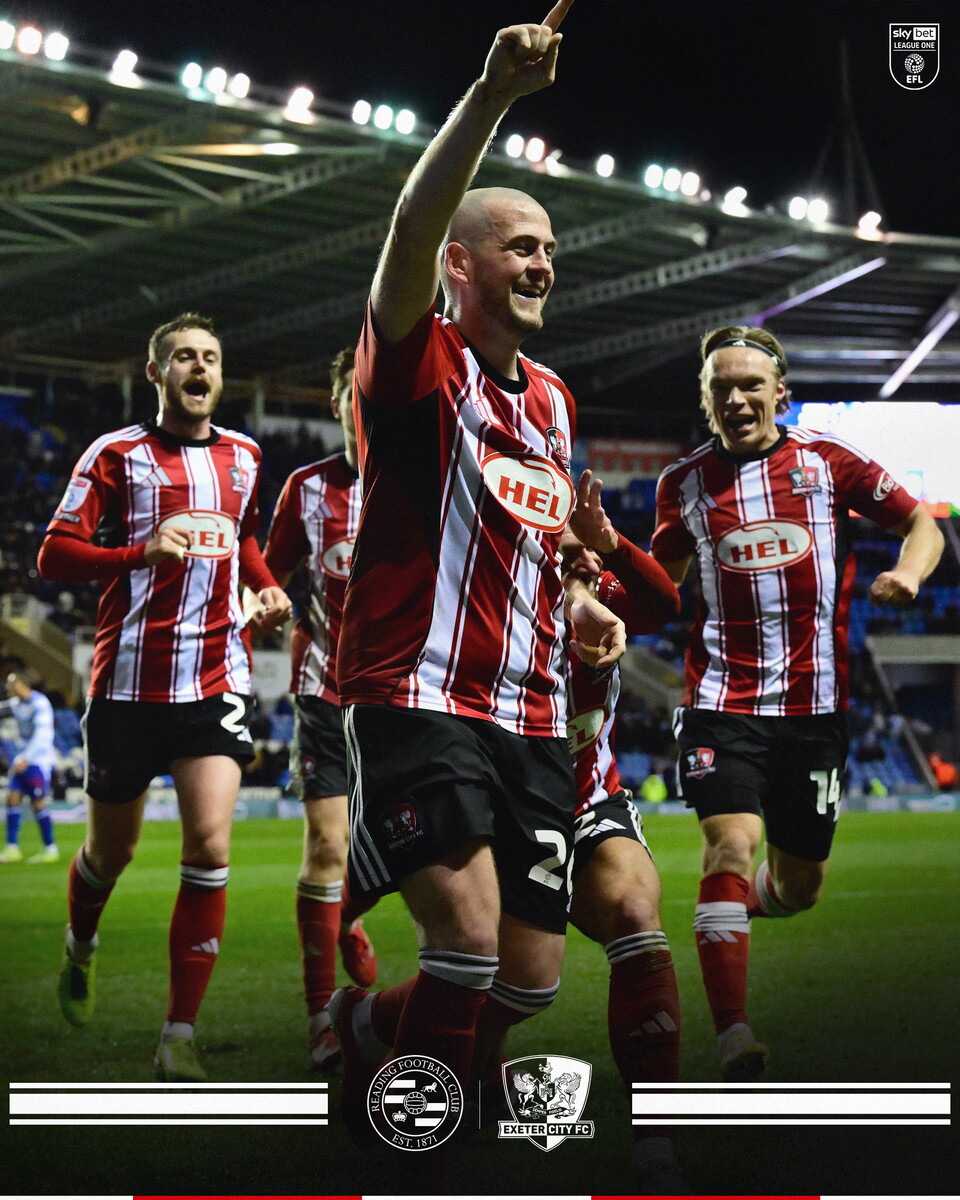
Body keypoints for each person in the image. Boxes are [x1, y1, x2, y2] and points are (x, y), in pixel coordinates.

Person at [326, 0, 625, 1144]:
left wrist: (583, 598)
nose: (544, 260)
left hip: (531, 712)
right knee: (461, 943)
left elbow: (526, 543)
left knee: (530, 981)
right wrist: (494, 96)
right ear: (462, 264)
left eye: (550, 246)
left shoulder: (550, 401)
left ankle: (360, 1037)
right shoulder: (418, 359)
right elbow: (407, 226)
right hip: (417, 690)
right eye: (520, 243)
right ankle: (413, 1150)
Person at [652, 324, 945, 1081]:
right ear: (706, 400)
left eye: (752, 385)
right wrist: (600, 581)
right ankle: (733, 1034)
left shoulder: (827, 463)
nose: (738, 398)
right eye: (722, 387)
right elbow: (659, 581)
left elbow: (921, 523)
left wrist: (909, 574)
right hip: (722, 703)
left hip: (815, 714)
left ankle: (737, 910)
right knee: (728, 847)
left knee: (799, 888)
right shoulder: (681, 485)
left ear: (780, 393)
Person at [37, 312, 291, 1082]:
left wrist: (267, 584)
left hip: (215, 678)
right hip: (127, 686)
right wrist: (135, 552)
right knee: (111, 853)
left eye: (210, 357)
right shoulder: (116, 454)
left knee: (210, 844)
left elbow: (242, 538)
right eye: (183, 356)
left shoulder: (246, 457)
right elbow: (53, 554)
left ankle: (178, 1032)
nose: (199, 367)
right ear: (157, 373)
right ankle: (80, 945)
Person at [559, 471, 685, 1189]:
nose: (580, 551)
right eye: (566, 534)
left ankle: (655, 1150)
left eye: (588, 540)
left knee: (638, 913)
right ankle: (361, 1024)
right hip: (499, 809)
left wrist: (609, 543)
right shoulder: (484, 597)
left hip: (586, 801)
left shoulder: (605, 595)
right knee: (514, 988)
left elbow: (665, 602)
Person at [263, 346, 378, 1072]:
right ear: (334, 403)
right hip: (325, 692)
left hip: (411, 698)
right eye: (348, 395)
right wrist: (265, 598)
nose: (358, 405)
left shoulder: (425, 478)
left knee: (418, 854)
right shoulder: (306, 489)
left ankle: (348, 918)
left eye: (371, 392)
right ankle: (320, 1018)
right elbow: (266, 571)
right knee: (329, 848)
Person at [0, 670, 59, 864]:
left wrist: (27, 757)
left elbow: (43, 735)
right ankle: (12, 848)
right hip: (22, 760)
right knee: (12, 798)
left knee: (38, 802)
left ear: (22, 684)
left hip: (37, 761)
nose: (8, 687)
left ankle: (50, 848)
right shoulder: (17, 704)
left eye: (11, 683)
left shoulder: (40, 703)